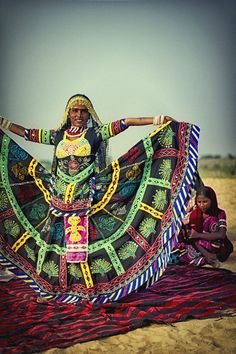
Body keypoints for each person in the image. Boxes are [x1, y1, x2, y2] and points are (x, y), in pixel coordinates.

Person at [0, 93, 200, 303]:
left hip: (86, 200)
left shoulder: (95, 134)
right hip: (57, 201)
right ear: (68, 113)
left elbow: (126, 122)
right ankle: (48, 290)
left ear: (88, 114)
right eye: (75, 110)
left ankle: (87, 288)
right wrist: (4, 123)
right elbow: (26, 134)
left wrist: (158, 119)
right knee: (53, 245)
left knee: (83, 248)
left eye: (83, 111)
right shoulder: (57, 136)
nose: (78, 114)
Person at [175, 186, 233, 267]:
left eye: (205, 202)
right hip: (198, 245)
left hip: (216, 245)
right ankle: (207, 259)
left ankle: (211, 257)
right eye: (199, 202)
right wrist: (206, 254)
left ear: (212, 200)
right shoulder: (194, 214)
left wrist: (198, 235)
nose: (202, 205)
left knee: (212, 220)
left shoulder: (220, 213)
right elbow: (192, 238)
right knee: (182, 251)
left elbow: (221, 235)